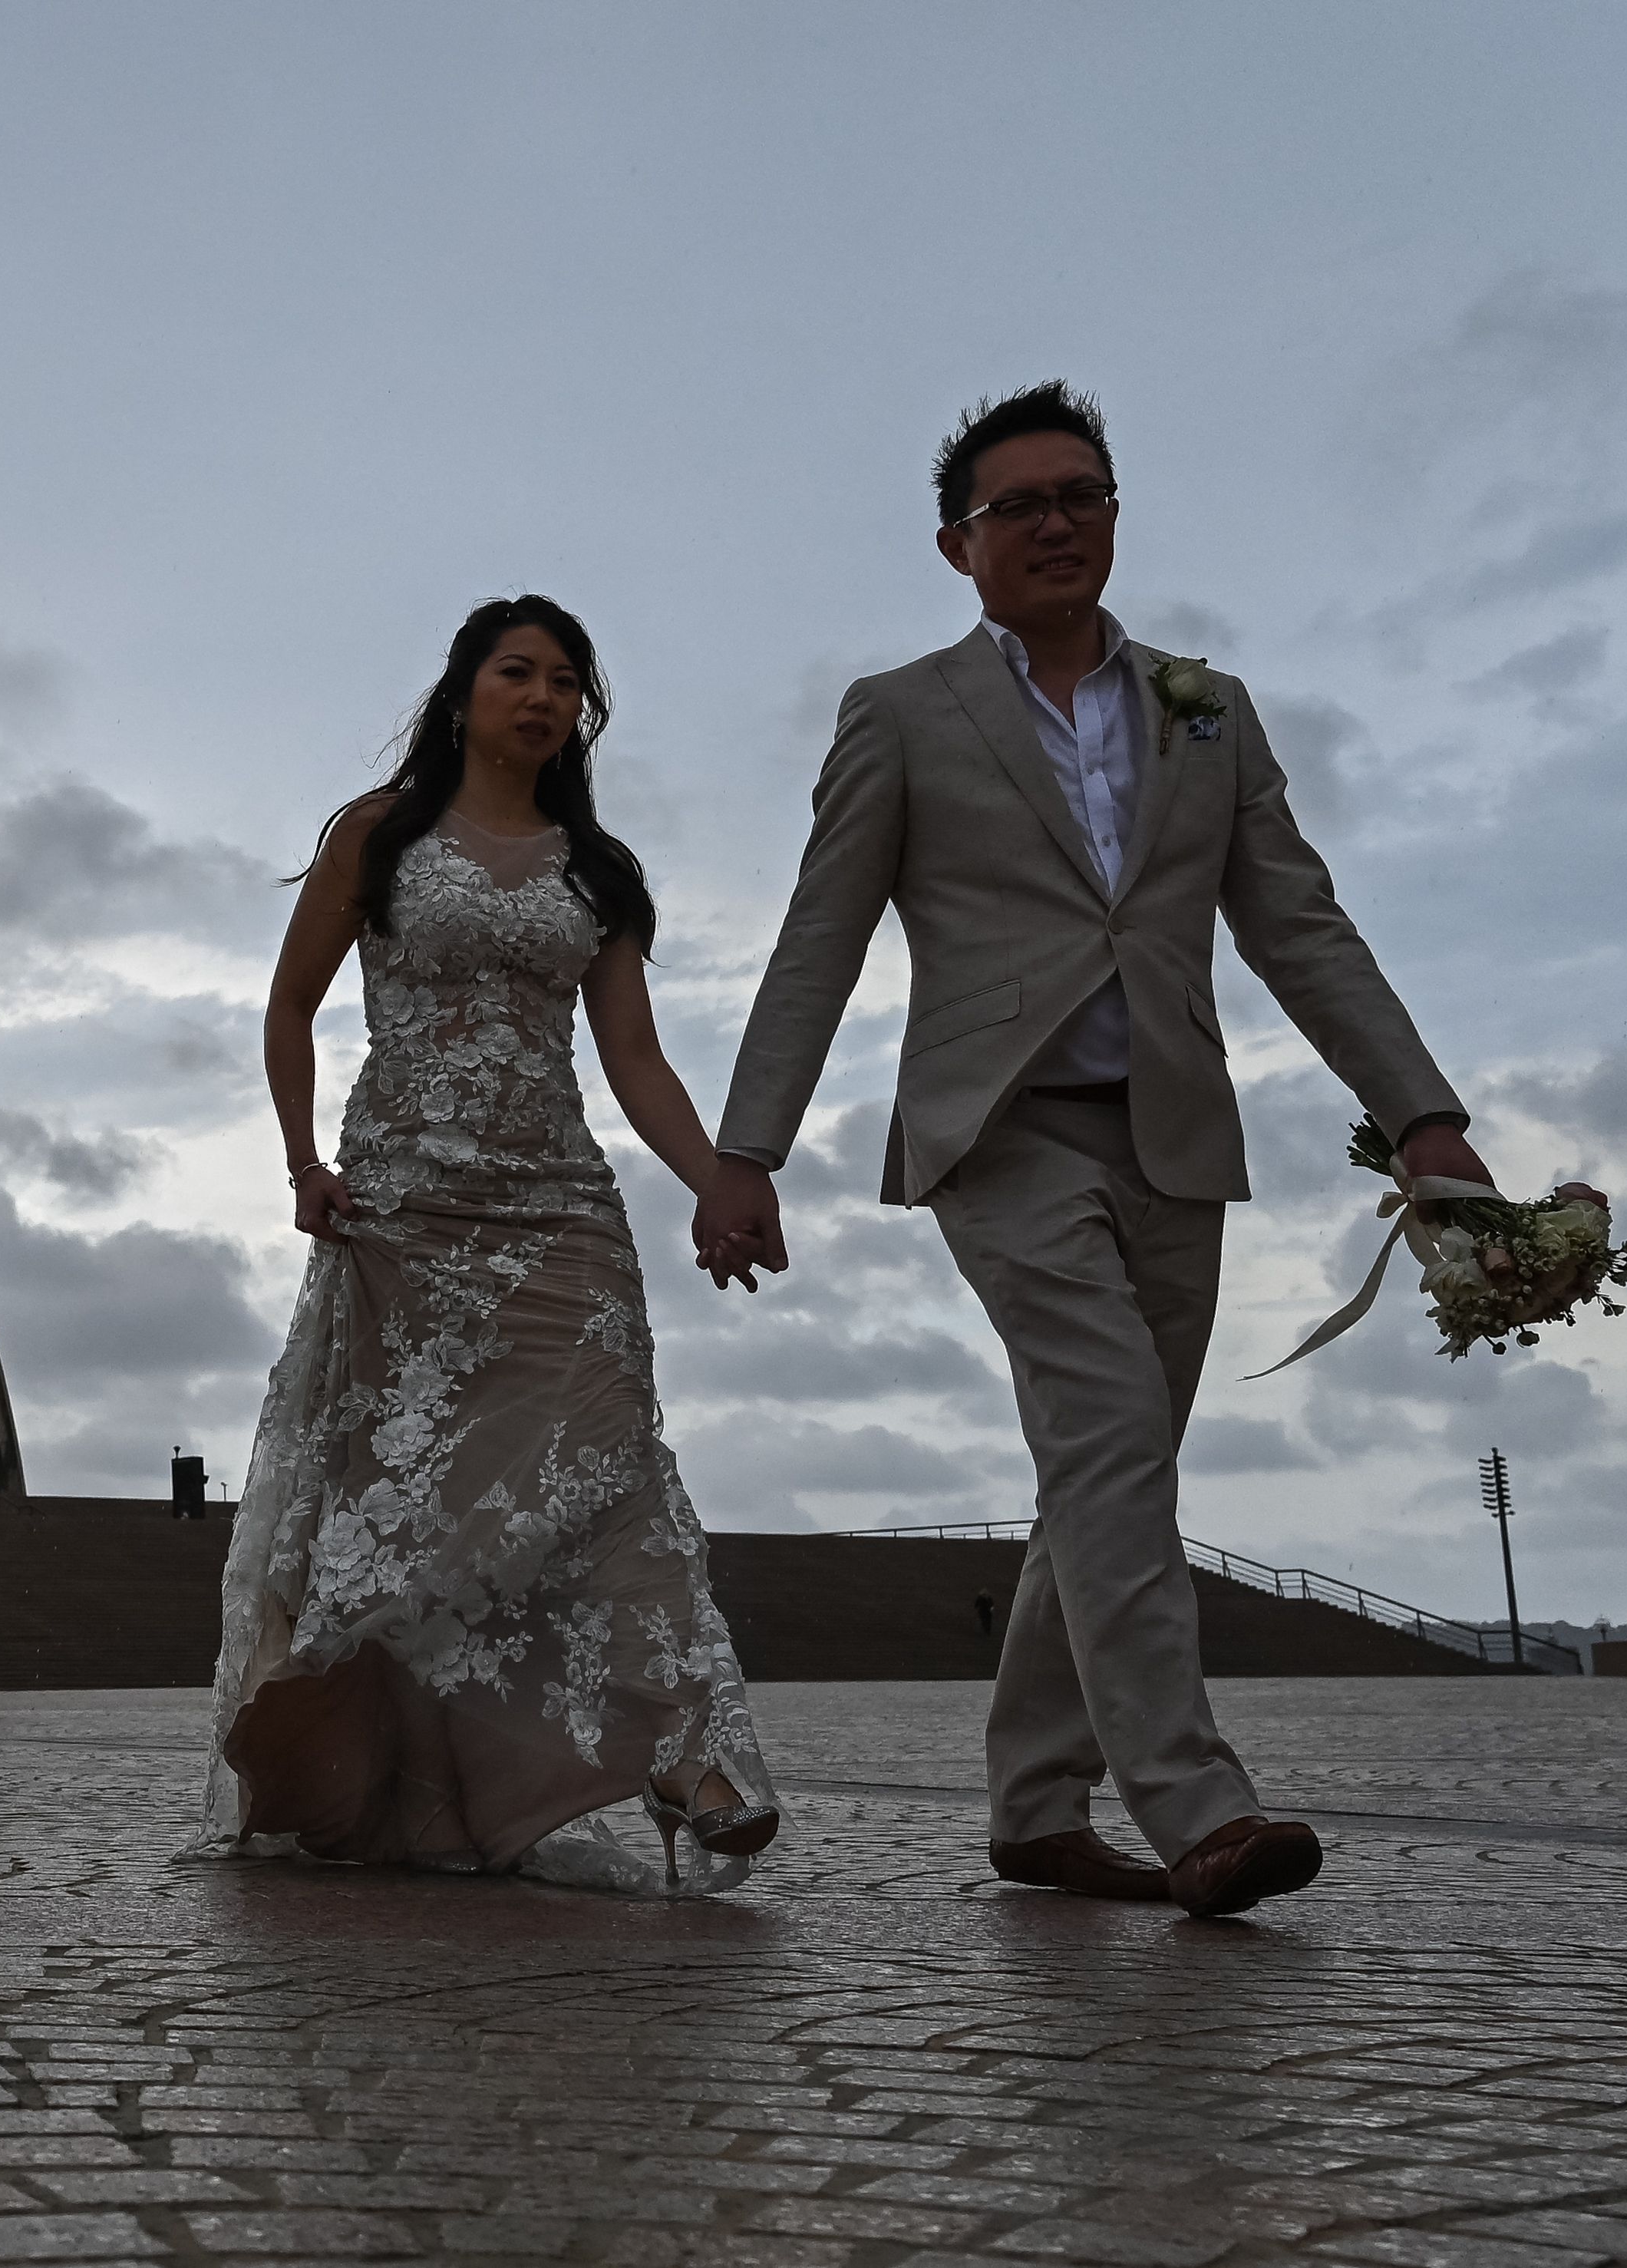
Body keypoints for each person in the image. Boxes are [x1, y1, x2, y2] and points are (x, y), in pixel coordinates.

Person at [698, 383, 1477, 1920]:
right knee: (1112, 1434)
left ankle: (1035, 1805)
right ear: (956, 544)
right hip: (999, 1133)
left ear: (1115, 515)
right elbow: (820, 937)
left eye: (1084, 494)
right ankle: (1198, 1805)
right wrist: (748, 1149)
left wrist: (1426, 1117)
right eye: (1021, 505)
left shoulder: (1205, 704)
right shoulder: (903, 711)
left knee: (1104, 1469)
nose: (1057, 522)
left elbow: (1298, 927)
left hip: (1175, 1136)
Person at [203, 594, 777, 1897]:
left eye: (566, 682)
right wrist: (304, 1164)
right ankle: (365, 1764)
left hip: (560, 1212)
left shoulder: (599, 872)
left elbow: (634, 1057)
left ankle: (682, 1755)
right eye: (517, 672)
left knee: (612, 1461)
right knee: (396, 1502)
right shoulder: (380, 836)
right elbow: (290, 1007)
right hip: (402, 1213)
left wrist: (715, 1181)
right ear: (463, 693)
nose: (543, 697)